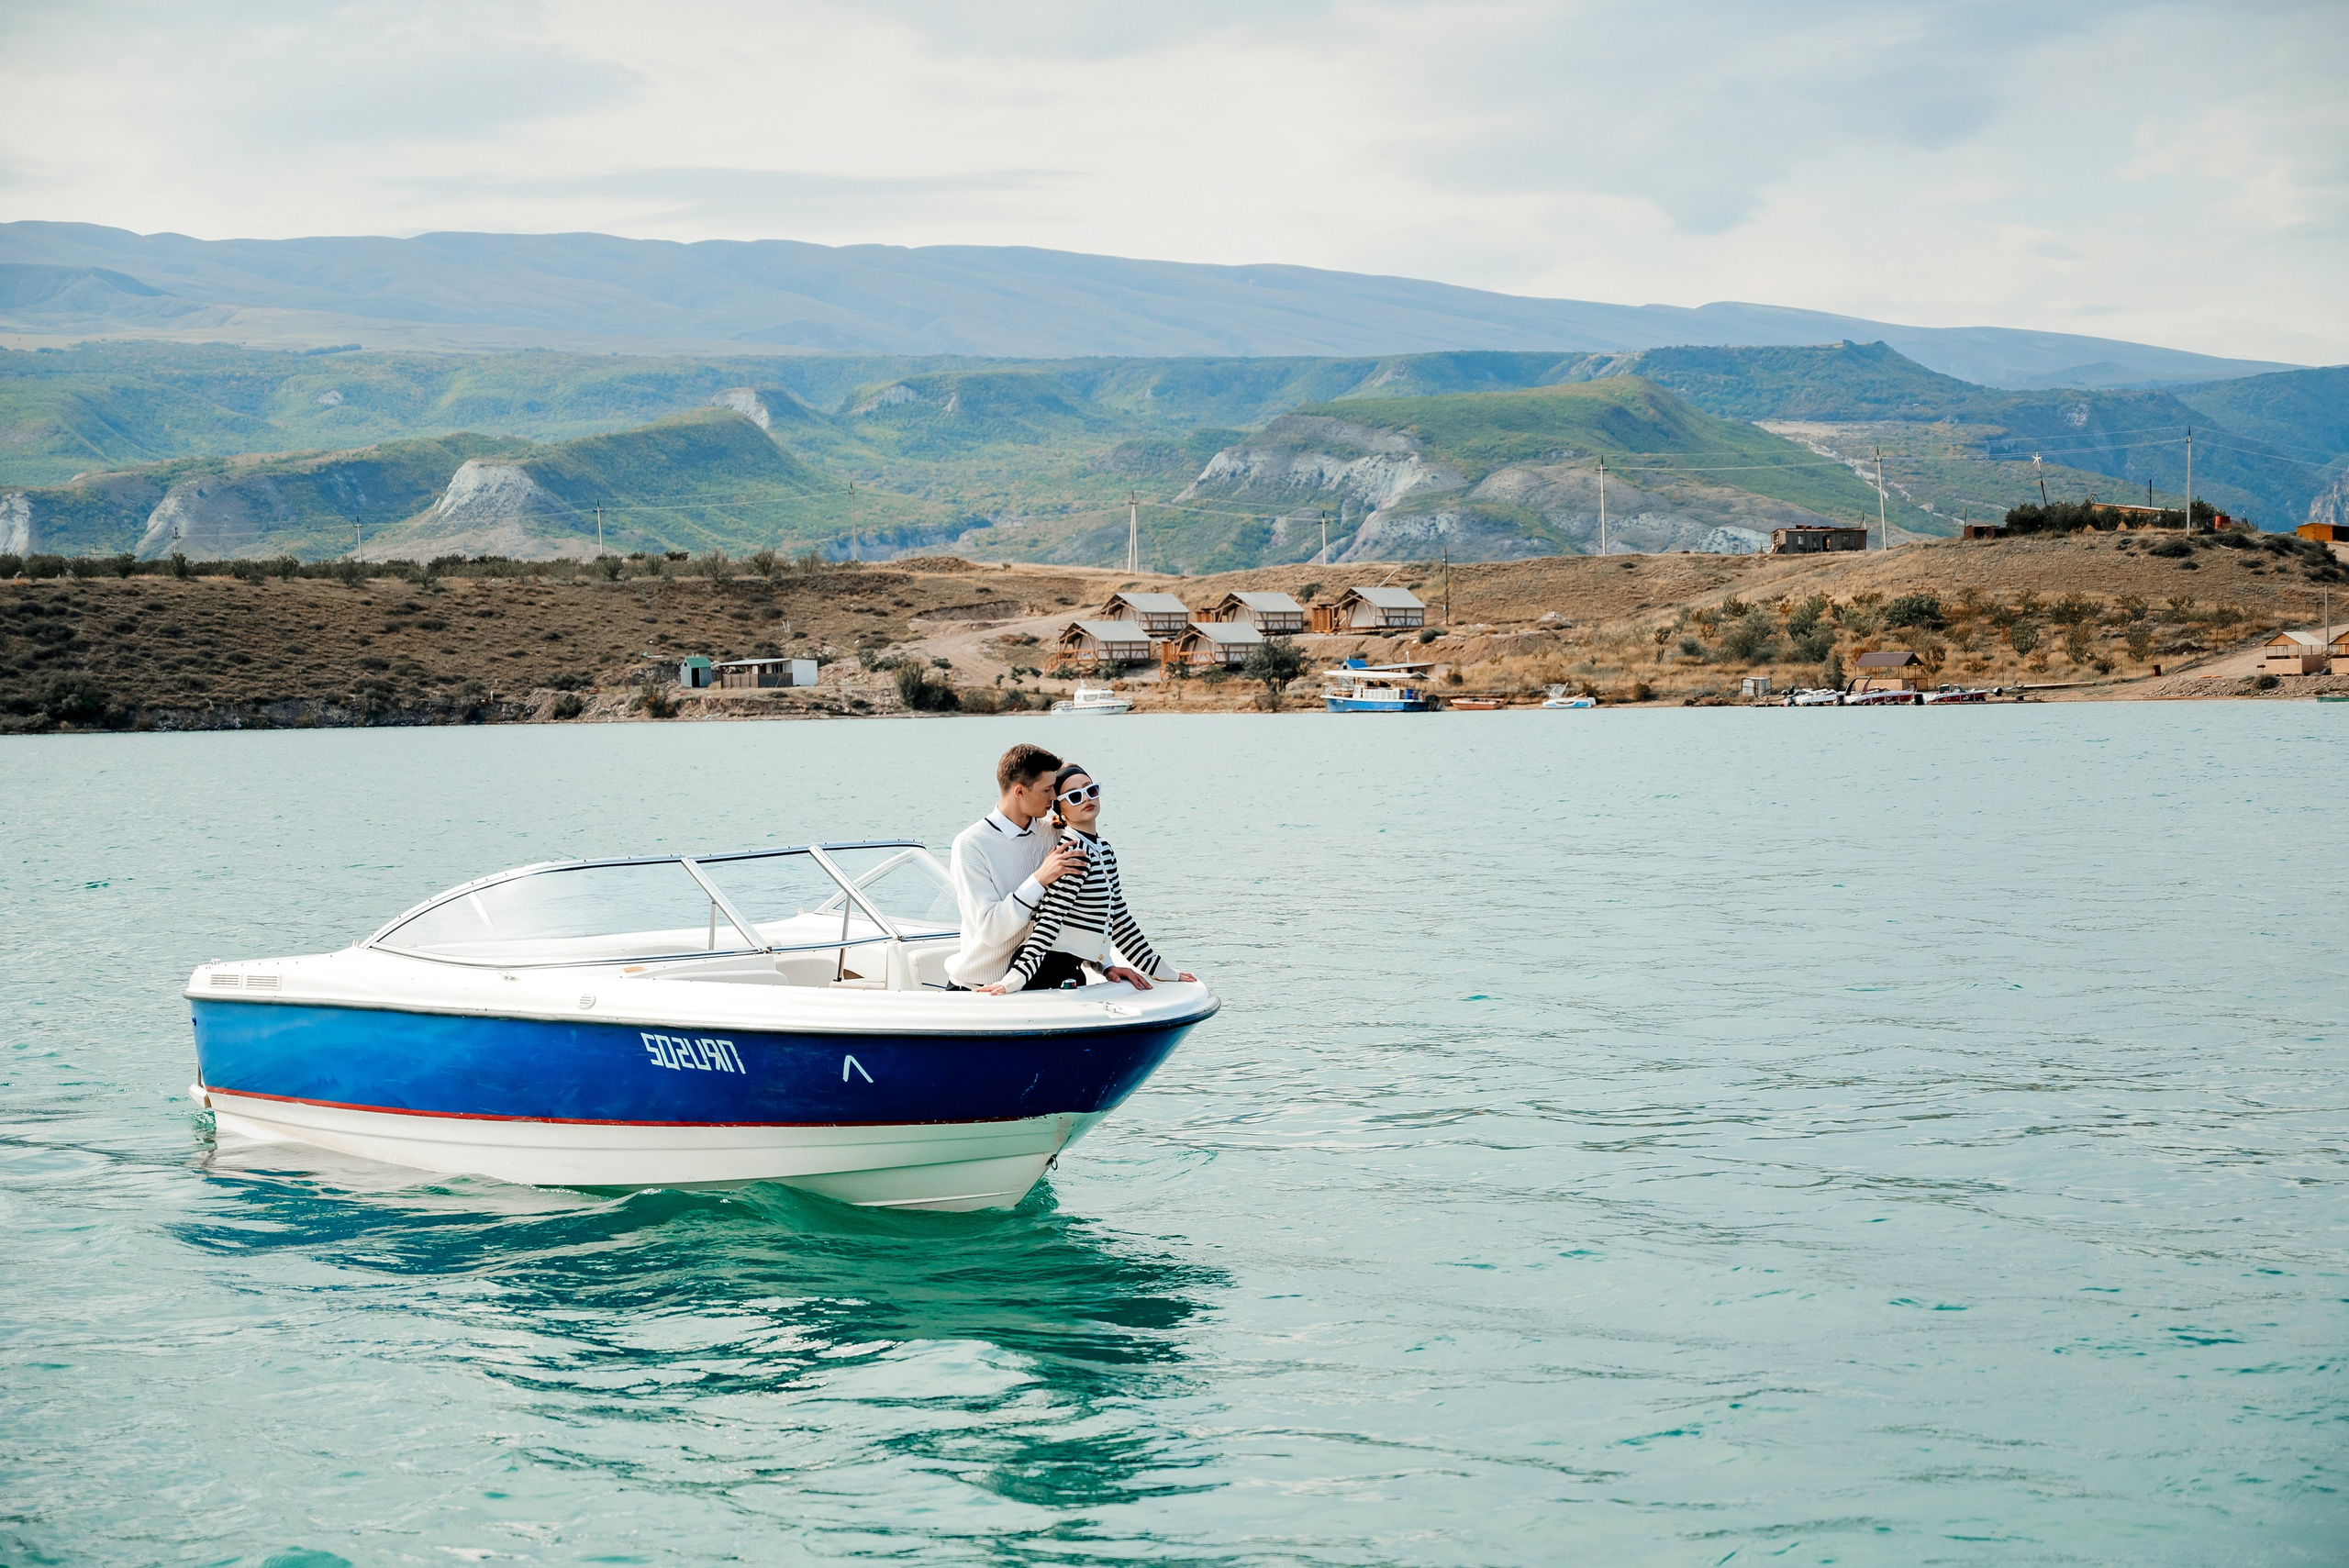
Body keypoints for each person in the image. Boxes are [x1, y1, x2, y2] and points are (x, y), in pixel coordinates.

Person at [979, 762, 1197, 995]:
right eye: (1074, 796)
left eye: (1091, 790)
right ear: (1060, 808)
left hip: (1071, 972)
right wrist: (1014, 980)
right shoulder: (1072, 852)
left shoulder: (1103, 849)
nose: (1086, 799)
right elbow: (1049, 920)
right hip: (1042, 974)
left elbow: (1119, 918)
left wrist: (1158, 968)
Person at [946, 742, 1088, 990]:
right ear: (1020, 791)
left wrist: (1104, 964)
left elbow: (1078, 910)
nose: (1054, 797)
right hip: (979, 990)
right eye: (1047, 790)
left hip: (1039, 984)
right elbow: (992, 931)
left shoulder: (1054, 834)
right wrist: (1039, 879)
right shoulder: (971, 845)